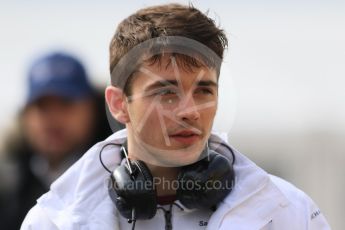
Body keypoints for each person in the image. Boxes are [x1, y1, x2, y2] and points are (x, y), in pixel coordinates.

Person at [21, 4, 330, 229]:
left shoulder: (290, 213)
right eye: (166, 93)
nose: (189, 111)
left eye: (204, 91)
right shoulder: (50, 222)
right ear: (118, 104)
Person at [0, 52, 113, 230]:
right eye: (42, 106)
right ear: (25, 115)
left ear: (92, 109)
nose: (53, 118)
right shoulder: (7, 186)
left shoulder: (120, 173)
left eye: (65, 103)